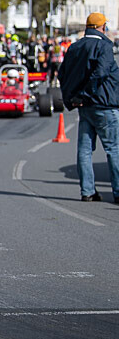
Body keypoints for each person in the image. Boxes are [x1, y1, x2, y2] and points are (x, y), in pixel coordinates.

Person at [58, 12, 119, 204]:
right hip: (104, 105)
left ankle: (87, 191)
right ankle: (117, 191)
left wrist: (72, 98)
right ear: (102, 28)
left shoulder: (74, 47)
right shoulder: (104, 46)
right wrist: (84, 93)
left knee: (84, 150)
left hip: (84, 108)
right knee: (113, 149)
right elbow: (101, 73)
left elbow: (63, 74)